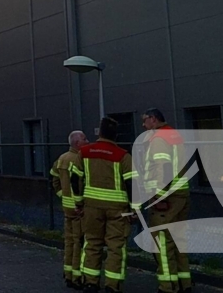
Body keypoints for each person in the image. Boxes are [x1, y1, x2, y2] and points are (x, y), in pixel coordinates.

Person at [70, 117, 136, 293]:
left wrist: (78, 202)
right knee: (116, 247)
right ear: (115, 135)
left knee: (92, 243)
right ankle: (112, 286)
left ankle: (90, 283)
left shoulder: (84, 152)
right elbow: (132, 185)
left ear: (99, 132)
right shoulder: (123, 155)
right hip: (118, 209)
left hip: (91, 206)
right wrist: (135, 209)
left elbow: (74, 178)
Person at [141, 108, 192, 292]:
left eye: (145, 120)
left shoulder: (159, 139)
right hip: (181, 193)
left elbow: (163, 167)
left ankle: (168, 286)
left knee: (162, 243)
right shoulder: (174, 135)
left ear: (153, 119)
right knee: (178, 240)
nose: (143, 125)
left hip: (167, 198)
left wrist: (159, 196)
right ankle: (184, 283)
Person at [51, 130, 88, 289]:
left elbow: (54, 180)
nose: (87, 141)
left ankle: (67, 274)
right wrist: (79, 203)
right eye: (85, 139)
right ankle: (76, 276)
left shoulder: (62, 158)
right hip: (79, 209)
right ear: (78, 143)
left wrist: (62, 196)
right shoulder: (79, 159)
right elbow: (79, 184)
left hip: (67, 208)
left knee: (69, 241)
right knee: (79, 243)